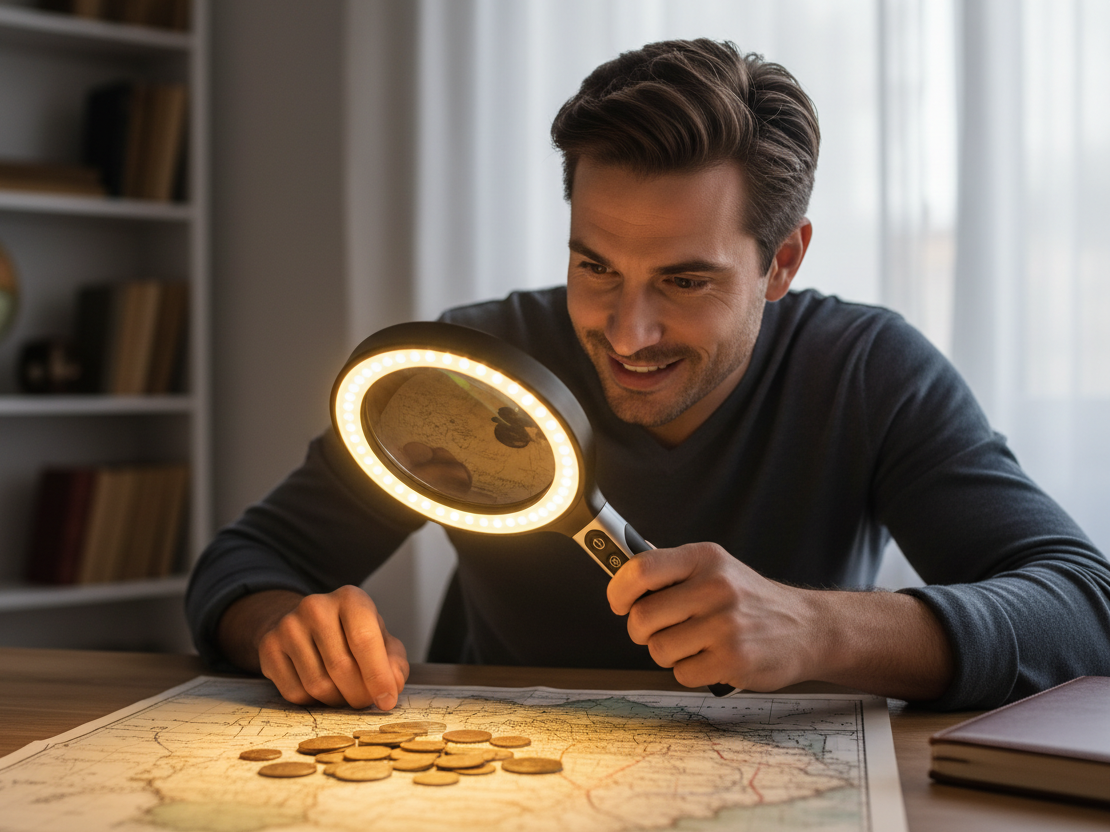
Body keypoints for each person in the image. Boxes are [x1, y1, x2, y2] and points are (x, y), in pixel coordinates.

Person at [186, 39, 1110, 714]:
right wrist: (281, 625)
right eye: (595, 266)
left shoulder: (869, 372)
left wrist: (818, 631)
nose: (628, 333)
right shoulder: (463, 368)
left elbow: (1084, 603)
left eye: (684, 280)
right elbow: (244, 565)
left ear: (782, 262)